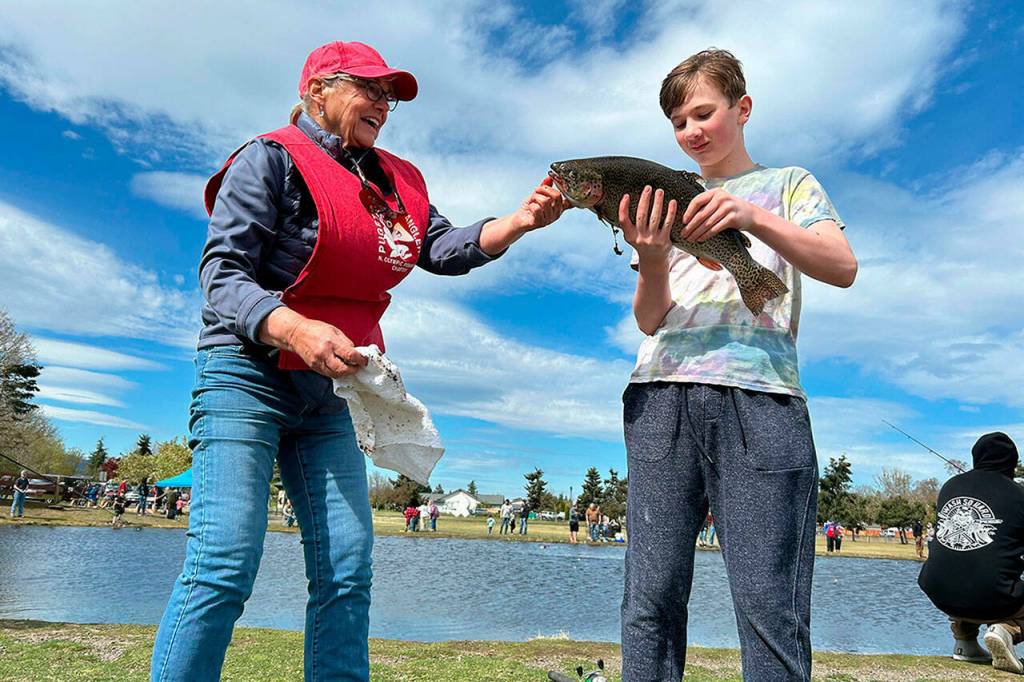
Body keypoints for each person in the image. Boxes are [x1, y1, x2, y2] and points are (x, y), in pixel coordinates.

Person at [150, 40, 568, 682]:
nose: (384, 103)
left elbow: (440, 246)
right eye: (369, 88)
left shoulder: (396, 179)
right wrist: (292, 328)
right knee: (223, 564)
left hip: (334, 394)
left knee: (346, 569)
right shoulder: (268, 160)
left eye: (392, 95)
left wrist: (516, 222)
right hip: (245, 374)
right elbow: (222, 275)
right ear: (318, 90)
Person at [618, 48, 857, 681]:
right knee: (650, 599)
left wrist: (753, 216)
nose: (690, 131)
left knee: (768, 603)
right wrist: (649, 256)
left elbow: (842, 265)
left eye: (703, 112)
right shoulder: (664, 196)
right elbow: (650, 319)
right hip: (660, 392)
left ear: (742, 108)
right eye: (677, 121)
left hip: (761, 399)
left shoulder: (790, 183)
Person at [919, 433, 1024, 675]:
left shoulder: (949, 487)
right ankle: (1007, 629)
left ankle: (964, 641)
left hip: (938, 591)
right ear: (1011, 462)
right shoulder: (1018, 495)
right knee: (988, 580)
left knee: (966, 569)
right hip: (988, 595)